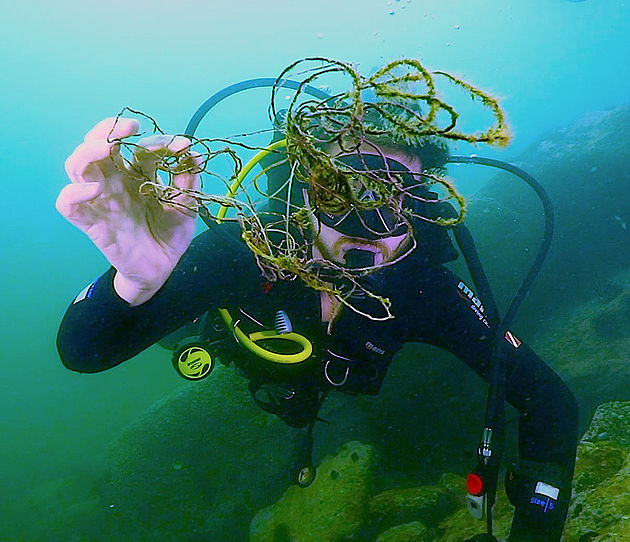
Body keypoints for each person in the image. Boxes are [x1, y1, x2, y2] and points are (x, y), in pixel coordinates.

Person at [56, 115, 578, 541]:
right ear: (307, 187)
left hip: (326, 379)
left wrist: (536, 525)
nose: (375, 217)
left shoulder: (425, 290)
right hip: (233, 340)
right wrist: (132, 284)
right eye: (354, 182)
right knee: (177, 318)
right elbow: (83, 351)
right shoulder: (247, 251)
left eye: (404, 196)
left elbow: (548, 401)